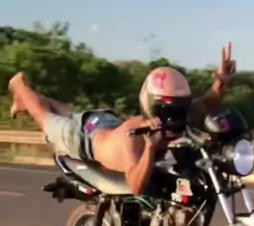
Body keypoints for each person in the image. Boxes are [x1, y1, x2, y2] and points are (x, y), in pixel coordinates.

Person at [8, 43, 237, 195]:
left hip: (107, 123)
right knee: (46, 118)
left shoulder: (178, 114)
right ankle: (18, 86)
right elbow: (135, 185)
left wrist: (221, 81)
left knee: (67, 114)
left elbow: (207, 103)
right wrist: (150, 148)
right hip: (86, 138)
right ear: (150, 106)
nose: (172, 117)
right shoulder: (133, 138)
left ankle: (31, 99)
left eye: (179, 108)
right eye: (165, 110)